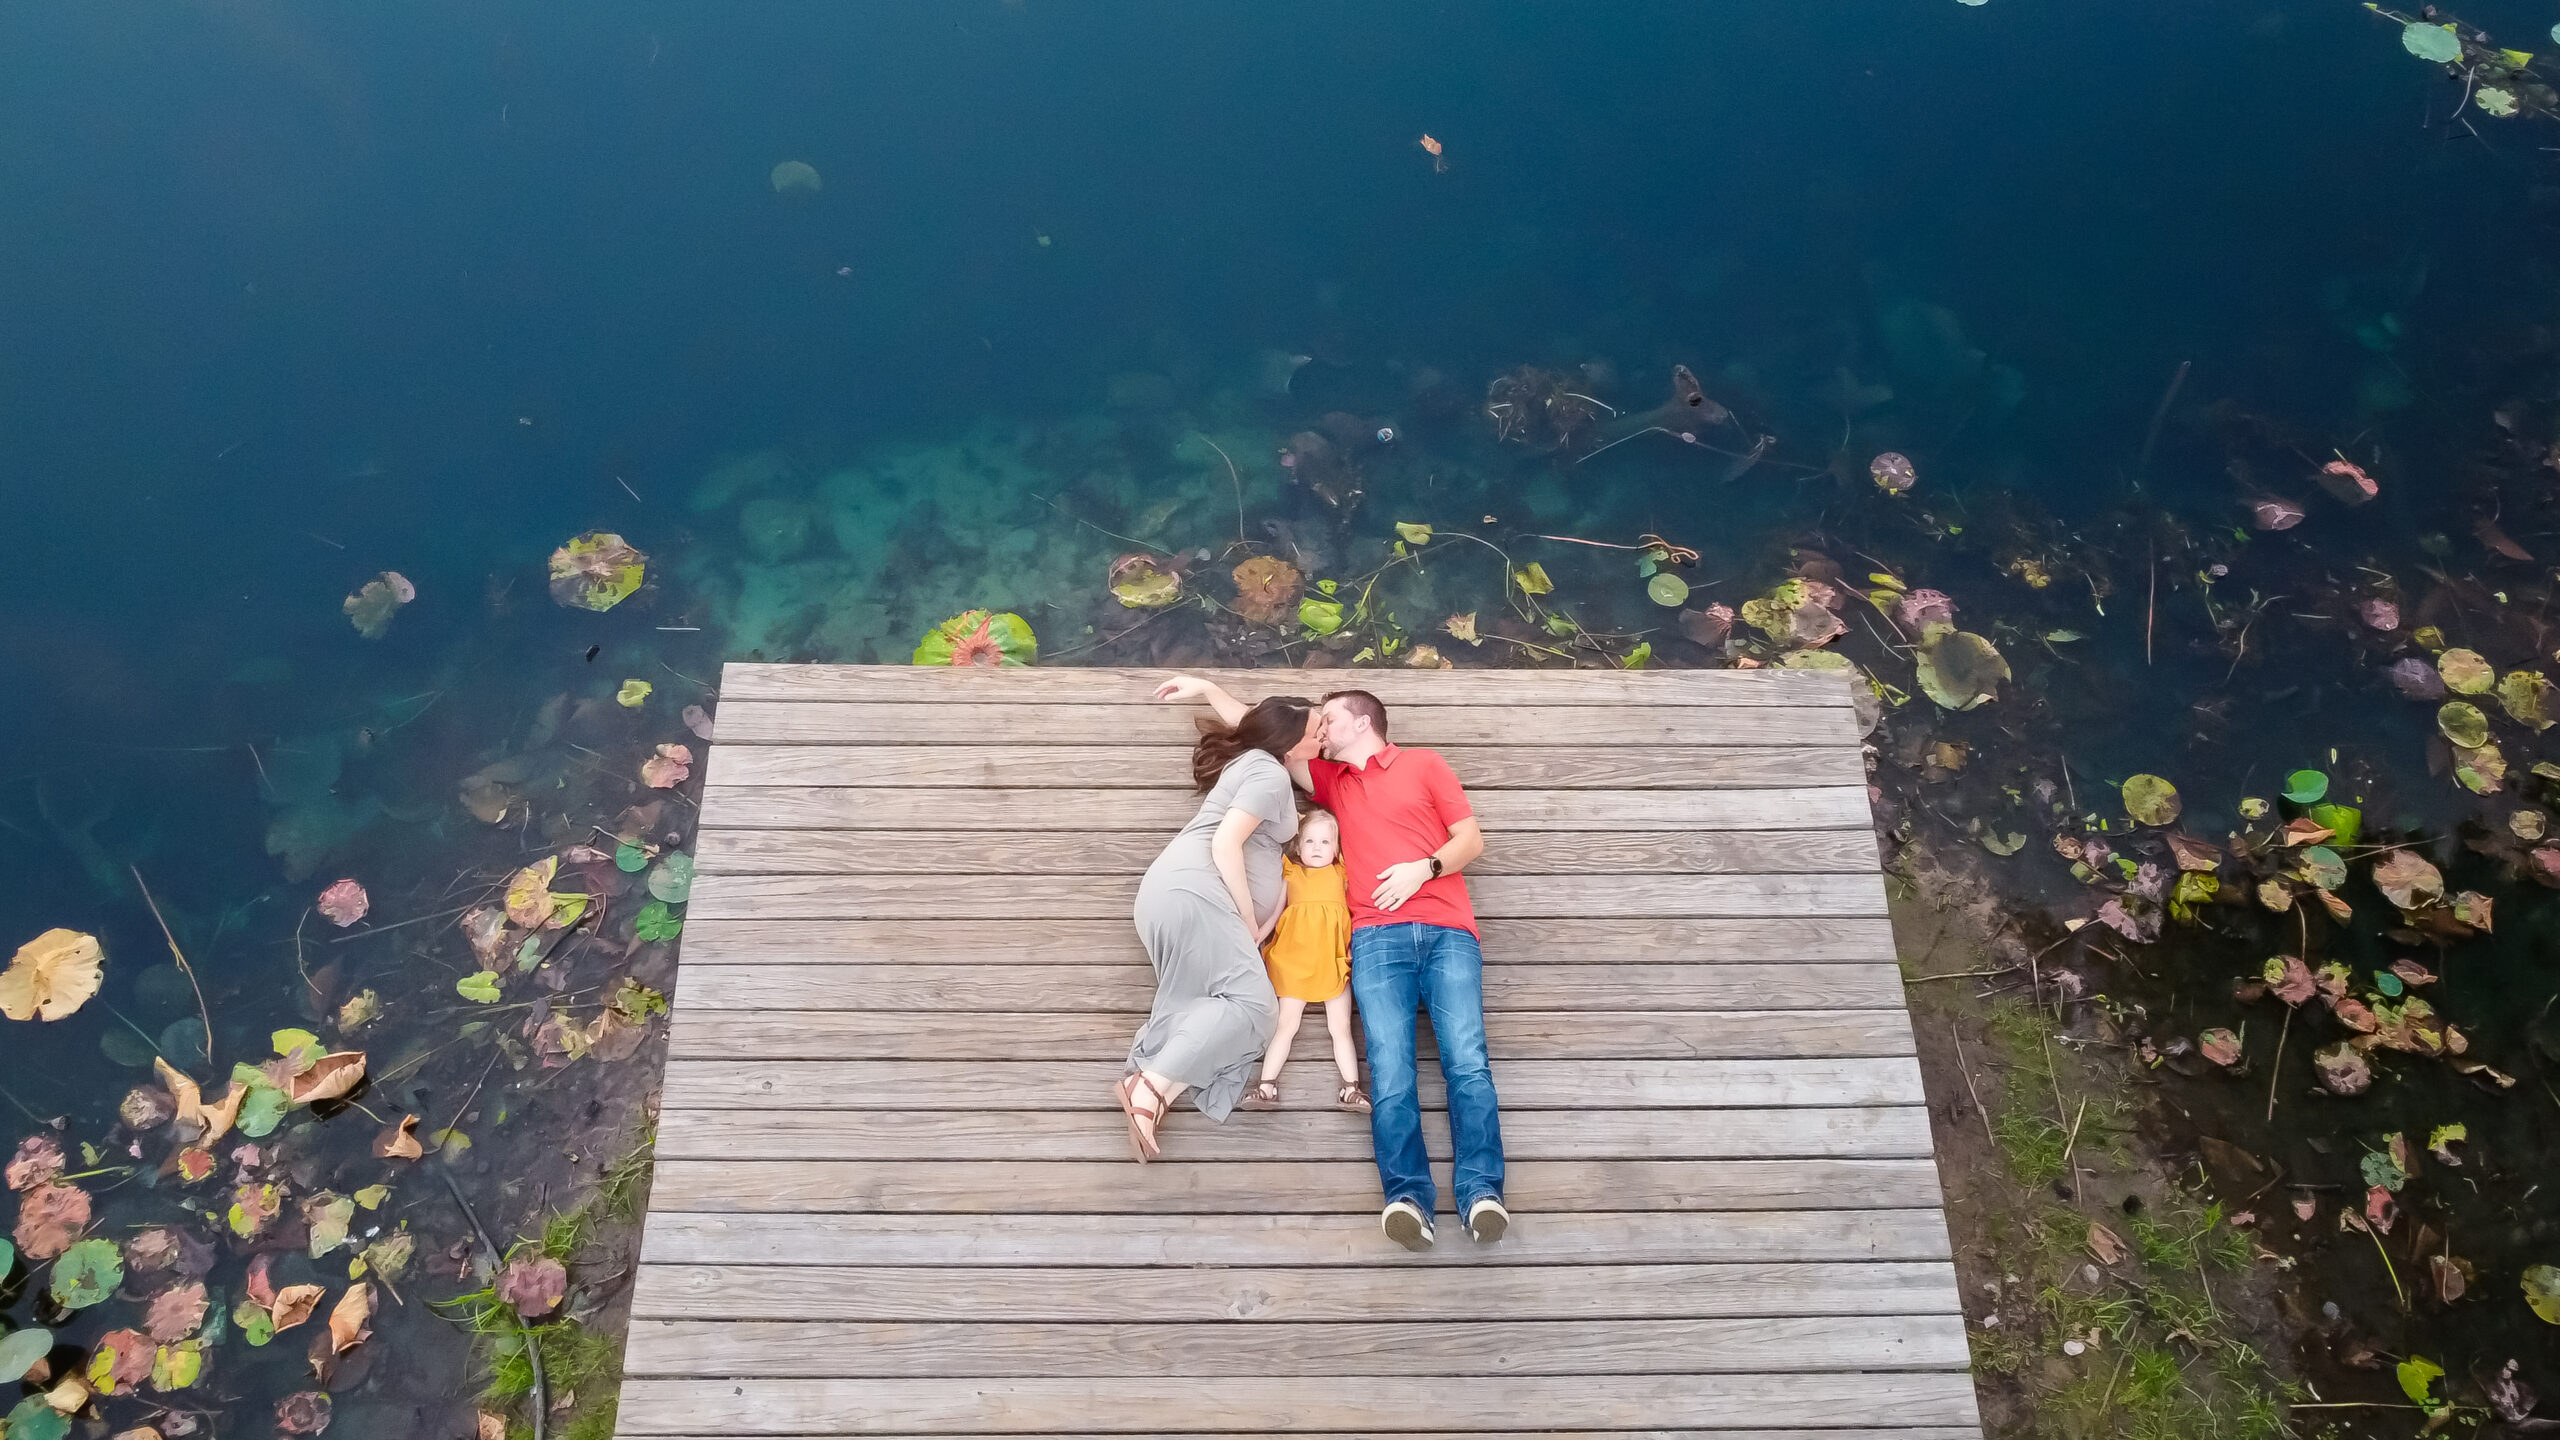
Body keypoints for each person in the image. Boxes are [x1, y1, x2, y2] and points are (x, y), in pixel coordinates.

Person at [1153, 675, 1505, 1252]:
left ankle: (1481, 1192)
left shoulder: (1423, 765)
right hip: (1373, 937)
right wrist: (1207, 687)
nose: (1320, 729)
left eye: (1329, 720)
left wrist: (1425, 868)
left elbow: (1470, 839)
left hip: (1448, 929)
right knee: (1391, 1070)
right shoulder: (1330, 780)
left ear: (1362, 722)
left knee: (1466, 1060)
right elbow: (1261, 728)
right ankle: (1407, 1198)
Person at [1114, 693, 1321, 1162]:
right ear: (1289, 743)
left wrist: (1208, 686)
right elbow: (1227, 843)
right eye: (1315, 731)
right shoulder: (1268, 772)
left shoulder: (1262, 760)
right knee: (1257, 1006)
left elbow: (1256, 719)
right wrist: (1249, 918)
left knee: (1215, 1006)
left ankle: (1159, 1087)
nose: (1322, 735)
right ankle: (1147, 1086)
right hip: (1200, 892)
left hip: (1180, 894)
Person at [1239, 806, 1370, 1115]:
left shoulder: (1343, 872)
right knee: (1286, 1025)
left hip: (1332, 959)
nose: (1317, 848)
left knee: (1340, 1027)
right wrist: (1260, 934)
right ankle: (1266, 1085)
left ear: (1337, 847)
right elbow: (1277, 911)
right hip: (1295, 958)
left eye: (1325, 842)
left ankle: (1351, 1089)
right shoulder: (1292, 871)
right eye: (1309, 841)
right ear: (1298, 845)